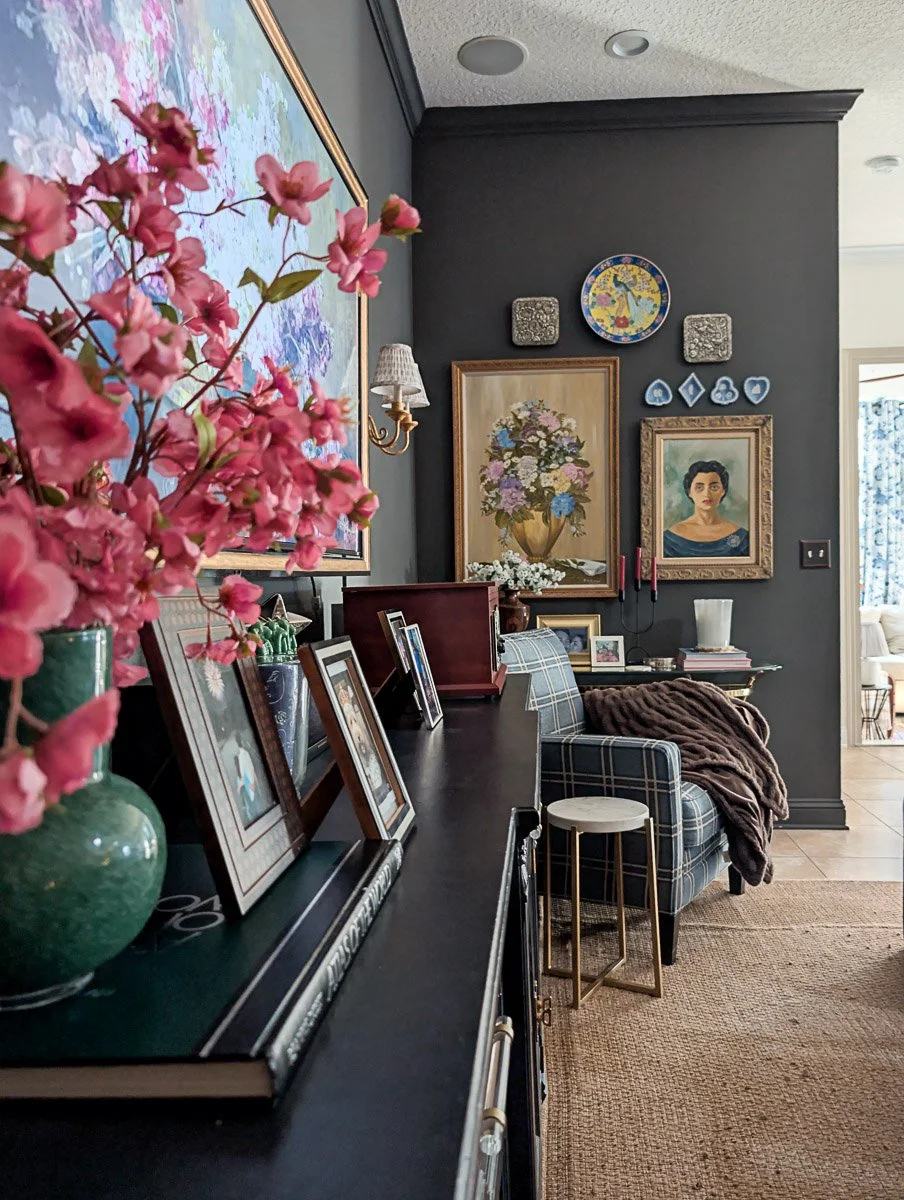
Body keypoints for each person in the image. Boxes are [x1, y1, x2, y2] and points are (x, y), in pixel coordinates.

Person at [664, 459, 749, 558]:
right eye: (699, 487)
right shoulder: (669, 539)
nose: (707, 494)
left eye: (714, 487)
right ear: (689, 492)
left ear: (723, 491)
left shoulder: (742, 538)